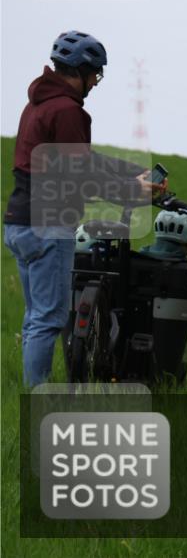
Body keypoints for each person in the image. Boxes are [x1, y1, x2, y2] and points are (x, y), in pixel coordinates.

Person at [3, 30, 164, 386]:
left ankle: (36, 395)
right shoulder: (68, 111)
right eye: (96, 74)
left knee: (36, 316)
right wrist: (133, 193)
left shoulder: (38, 105)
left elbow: (83, 162)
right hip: (48, 225)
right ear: (83, 70)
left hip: (18, 223)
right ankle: (40, 402)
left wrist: (130, 172)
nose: (96, 82)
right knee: (48, 318)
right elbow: (81, 176)